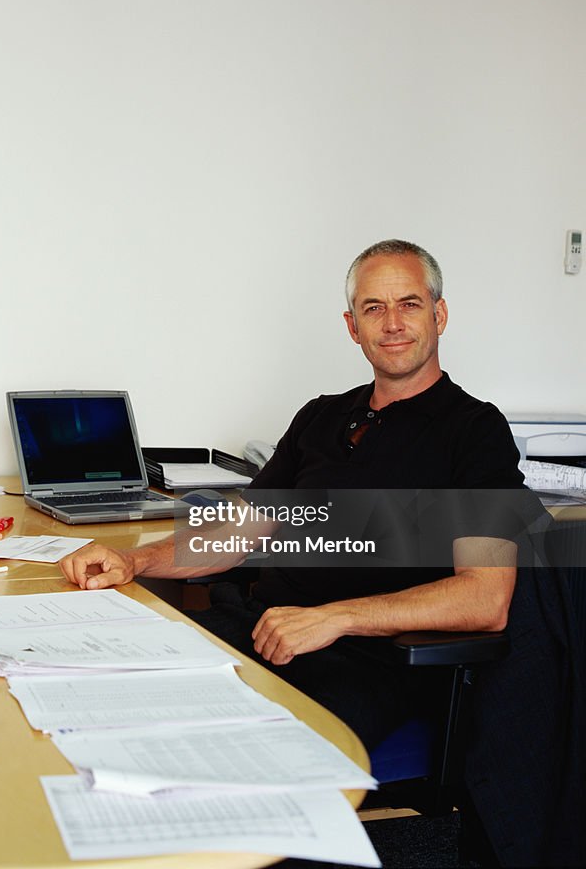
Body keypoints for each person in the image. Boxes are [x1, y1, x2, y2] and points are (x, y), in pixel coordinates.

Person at [59, 239, 584, 867]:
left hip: (362, 661)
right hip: (254, 627)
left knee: (229, 783)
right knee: (98, 704)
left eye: (409, 304)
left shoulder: (472, 430)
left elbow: (485, 597)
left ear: (439, 315)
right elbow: (241, 533)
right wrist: (136, 562)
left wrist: (334, 617)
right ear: (352, 326)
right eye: (373, 308)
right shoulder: (321, 417)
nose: (392, 324)